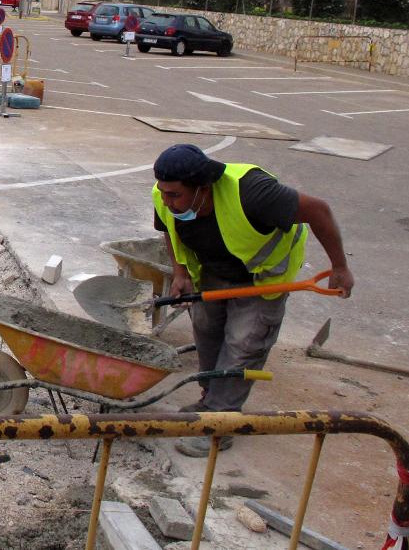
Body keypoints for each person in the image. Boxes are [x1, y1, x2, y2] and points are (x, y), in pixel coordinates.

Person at [151, 143, 353, 456]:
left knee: (244, 343)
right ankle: (210, 400)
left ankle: (221, 422)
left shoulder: (253, 192)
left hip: (263, 277)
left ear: (203, 188)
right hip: (214, 270)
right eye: (163, 193)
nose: (167, 200)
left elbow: (318, 210)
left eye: (174, 195)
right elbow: (168, 228)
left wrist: (339, 266)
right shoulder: (166, 194)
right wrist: (180, 273)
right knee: (206, 332)